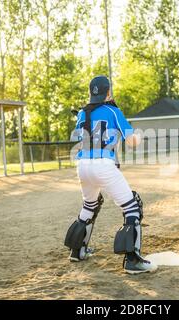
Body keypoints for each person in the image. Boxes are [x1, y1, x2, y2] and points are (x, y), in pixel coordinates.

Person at [64, 75, 157, 274]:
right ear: (108, 93)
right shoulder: (113, 111)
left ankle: (77, 250)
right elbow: (131, 141)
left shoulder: (82, 113)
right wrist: (138, 137)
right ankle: (132, 260)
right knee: (132, 206)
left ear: (90, 93)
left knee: (90, 205)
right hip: (103, 164)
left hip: (82, 165)